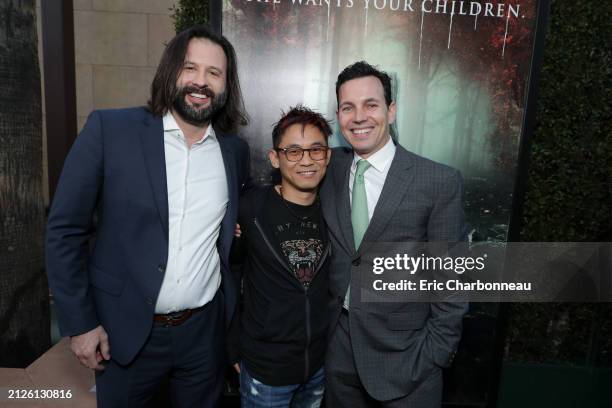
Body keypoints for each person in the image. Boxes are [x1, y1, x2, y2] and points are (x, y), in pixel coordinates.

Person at [45, 24, 250, 407]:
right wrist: (80, 323)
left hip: (203, 336)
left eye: (214, 73)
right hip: (125, 332)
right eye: (190, 68)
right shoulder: (111, 130)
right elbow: (64, 230)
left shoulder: (233, 152)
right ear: (170, 71)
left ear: (226, 85)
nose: (201, 82)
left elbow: (240, 217)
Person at [320, 61, 468, 407]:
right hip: (339, 355)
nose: (359, 117)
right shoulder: (330, 168)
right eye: (348, 107)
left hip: (409, 362)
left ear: (392, 110)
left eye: (371, 105)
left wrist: (435, 354)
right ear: (338, 116)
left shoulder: (437, 182)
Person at [228, 106, 332, 407]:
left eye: (316, 150)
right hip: (265, 370)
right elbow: (229, 275)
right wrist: (231, 346)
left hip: (318, 367)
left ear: (327, 156)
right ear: (275, 158)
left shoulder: (337, 209)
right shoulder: (250, 209)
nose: (306, 160)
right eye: (294, 151)